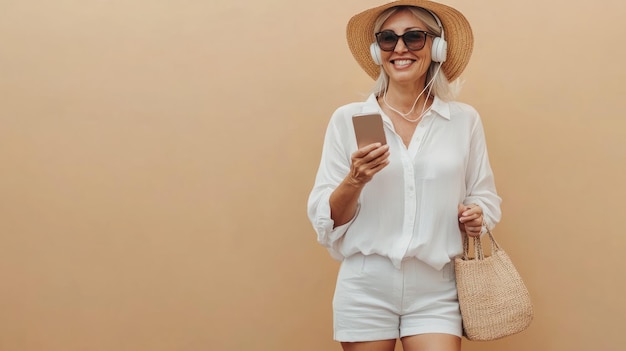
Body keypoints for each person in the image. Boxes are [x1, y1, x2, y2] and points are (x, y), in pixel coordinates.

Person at [307, 1, 502, 350]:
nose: (400, 48)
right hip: (366, 283)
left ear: (437, 48)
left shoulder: (463, 120)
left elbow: (483, 195)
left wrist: (477, 215)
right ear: (377, 50)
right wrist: (355, 180)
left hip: (436, 286)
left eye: (414, 37)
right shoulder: (350, 120)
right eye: (387, 38)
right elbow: (327, 221)